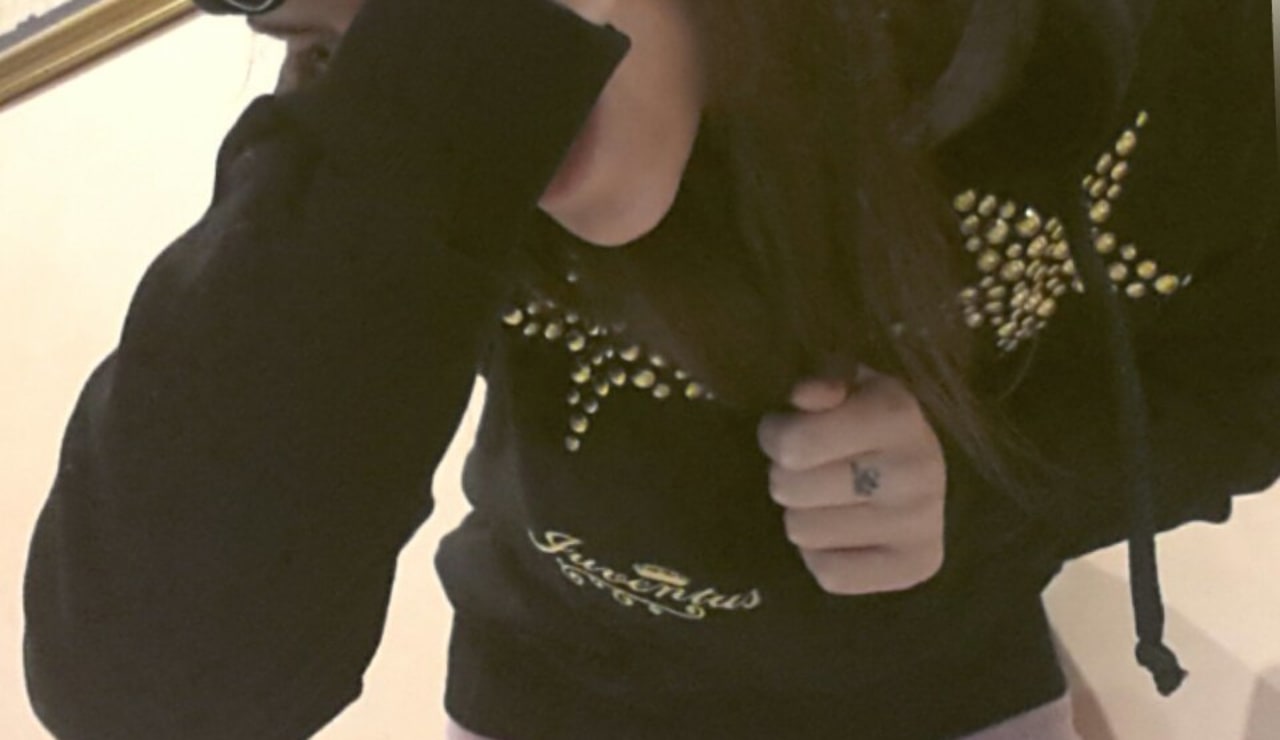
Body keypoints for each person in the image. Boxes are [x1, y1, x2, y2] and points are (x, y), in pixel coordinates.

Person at [21, 0, 1277, 737]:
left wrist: (988, 484)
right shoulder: (422, 105)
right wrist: (407, 119)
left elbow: (1247, 382)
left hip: (944, 680)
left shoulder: (1105, 52)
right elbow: (158, 690)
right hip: (553, 684)